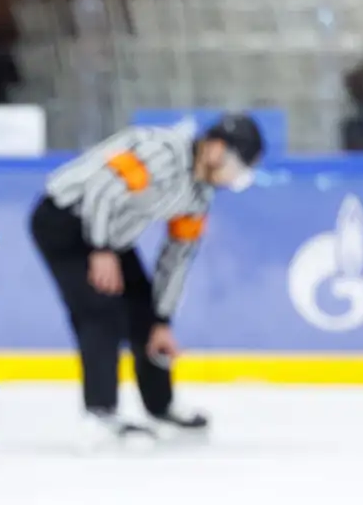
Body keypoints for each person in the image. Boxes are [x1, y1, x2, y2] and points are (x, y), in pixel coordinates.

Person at [28, 112, 264, 444]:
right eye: (239, 167)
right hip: (65, 220)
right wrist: (100, 248)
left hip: (110, 236)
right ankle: (100, 412)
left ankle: (160, 405)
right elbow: (102, 191)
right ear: (216, 150)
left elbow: (176, 259)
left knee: (145, 310)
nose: (236, 178)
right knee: (99, 309)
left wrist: (163, 319)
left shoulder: (199, 196)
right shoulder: (161, 154)